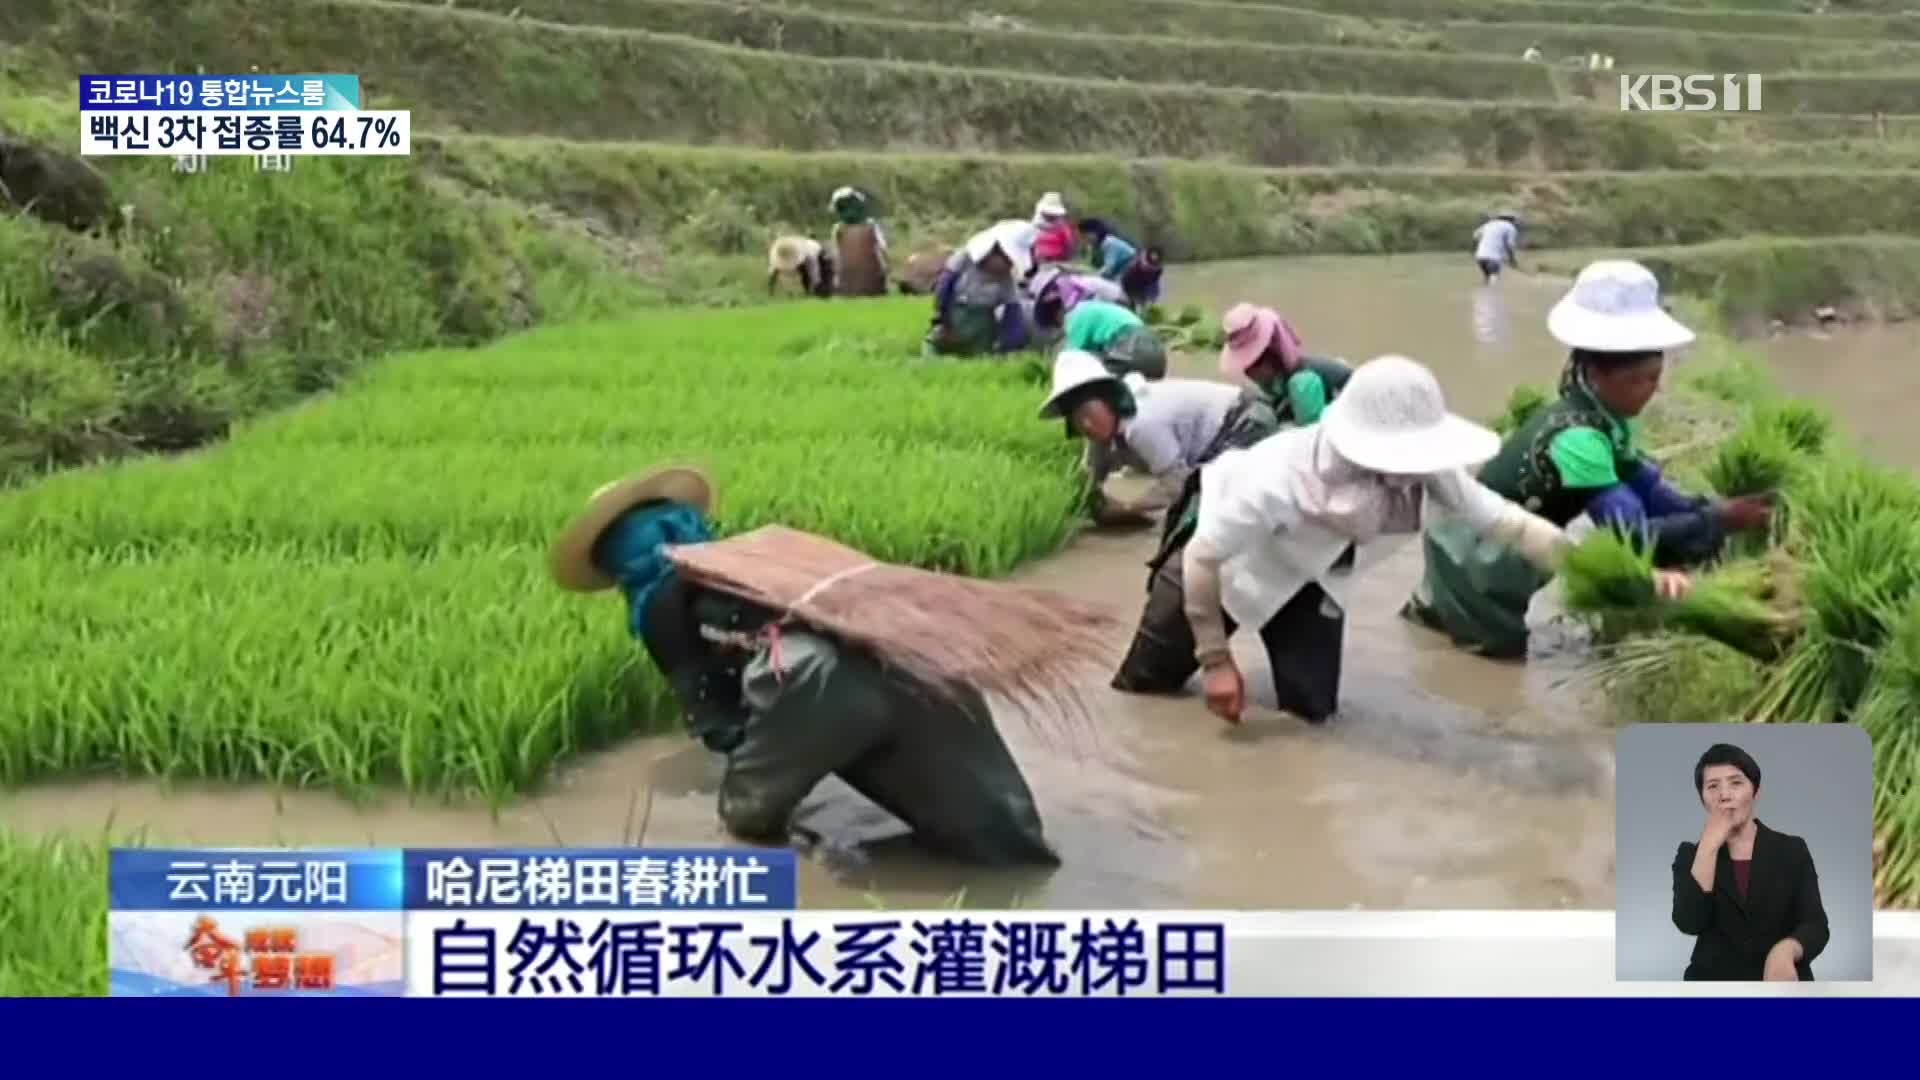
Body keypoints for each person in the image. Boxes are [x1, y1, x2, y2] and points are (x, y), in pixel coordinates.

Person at [1107, 354, 1692, 720]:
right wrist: (1215, 661)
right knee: (1145, 691)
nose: (1413, 467)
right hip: (1221, 564)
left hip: (1312, 577)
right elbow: (1206, 559)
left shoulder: (1425, 473)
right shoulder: (1276, 478)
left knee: (1311, 718)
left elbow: (1510, 524)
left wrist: (1626, 574)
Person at [547, 465, 1059, 866]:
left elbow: (716, 716)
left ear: (621, 558)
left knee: (744, 819)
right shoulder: (761, 552)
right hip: (915, 649)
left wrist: (735, 735)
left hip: (813, 676)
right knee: (1002, 838)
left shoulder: (659, 600)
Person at [1403, 260, 1771, 659]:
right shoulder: (1578, 438)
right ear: (1597, 374)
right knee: (1487, 660)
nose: (1654, 390)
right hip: (1478, 554)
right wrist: (1720, 521)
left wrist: (1713, 511)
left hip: (1513, 542)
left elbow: (1652, 494)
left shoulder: (1609, 418)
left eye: (1656, 375)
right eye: (1640, 380)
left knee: (1449, 637)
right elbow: (1628, 534)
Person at [1040, 349, 1277, 533]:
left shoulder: (1141, 424)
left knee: (1217, 505)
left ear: (1109, 400)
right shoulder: (1106, 427)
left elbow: (1176, 483)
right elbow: (1090, 475)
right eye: (1078, 421)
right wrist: (1074, 504)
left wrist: (1127, 508)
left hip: (1246, 421)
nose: (1087, 426)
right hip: (1229, 427)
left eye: (1089, 414)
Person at [1672, 743, 1829, 981]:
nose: (1724, 795)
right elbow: (1689, 922)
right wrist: (1709, 846)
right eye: (1713, 786)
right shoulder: (1690, 855)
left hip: (1780, 985)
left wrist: (1785, 951)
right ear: (1703, 799)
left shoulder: (1791, 850)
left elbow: (1815, 925)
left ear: (1756, 792)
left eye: (1736, 783)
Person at [1218, 304, 1352, 426]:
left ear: (1272, 357)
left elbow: (1310, 435)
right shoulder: (1275, 385)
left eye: (1254, 366)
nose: (1249, 374)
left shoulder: (1302, 383)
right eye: (1246, 368)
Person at [925, 222, 1034, 357]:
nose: (1008, 267)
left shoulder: (1006, 280)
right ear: (993, 252)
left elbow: (1013, 314)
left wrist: (1009, 345)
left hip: (982, 328)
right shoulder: (964, 259)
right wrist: (944, 320)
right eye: (1007, 261)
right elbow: (944, 288)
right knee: (933, 344)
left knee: (981, 355)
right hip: (954, 318)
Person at [1061, 297, 1168, 381]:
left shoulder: (1077, 315)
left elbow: (1070, 357)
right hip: (1156, 352)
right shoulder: (1097, 309)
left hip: (1129, 348)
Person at [828, 186, 889, 296]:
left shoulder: (837, 229)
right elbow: (882, 249)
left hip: (846, 285)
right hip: (873, 284)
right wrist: (885, 267)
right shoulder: (872, 225)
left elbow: (835, 255)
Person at [766, 234, 835, 297]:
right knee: (805, 275)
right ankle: (809, 293)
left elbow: (813, 270)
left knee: (819, 283)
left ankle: (821, 293)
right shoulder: (780, 252)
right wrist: (770, 290)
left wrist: (816, 284)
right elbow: (773, 272)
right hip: (805, 253)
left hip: (818, 253)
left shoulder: (809, 254)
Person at [1080, 217, 1139, 284]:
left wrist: (1091, 276)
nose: (1085, 240)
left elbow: (1108, 269)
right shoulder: (1103, 244)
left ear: (1094, 232)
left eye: (1085, 236)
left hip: (1131, 276)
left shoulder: (1109, 243)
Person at [1473, 213, 1520, 284]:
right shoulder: (1510, 227)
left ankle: (1483, 292)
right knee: (1494, 279)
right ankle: (1492, 293)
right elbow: (1510, 245)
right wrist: (1512, 259)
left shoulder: (1489, 224)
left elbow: (1475, 235)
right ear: (1511, 219)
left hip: (1480, 256)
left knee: (1487, 278)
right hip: (1494, 258)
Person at [1031, 192, 1076, 265]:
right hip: (1036, 263)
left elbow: (1069, 247)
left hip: (1056, 263)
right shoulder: (1035, 225)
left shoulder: (1063, 228)